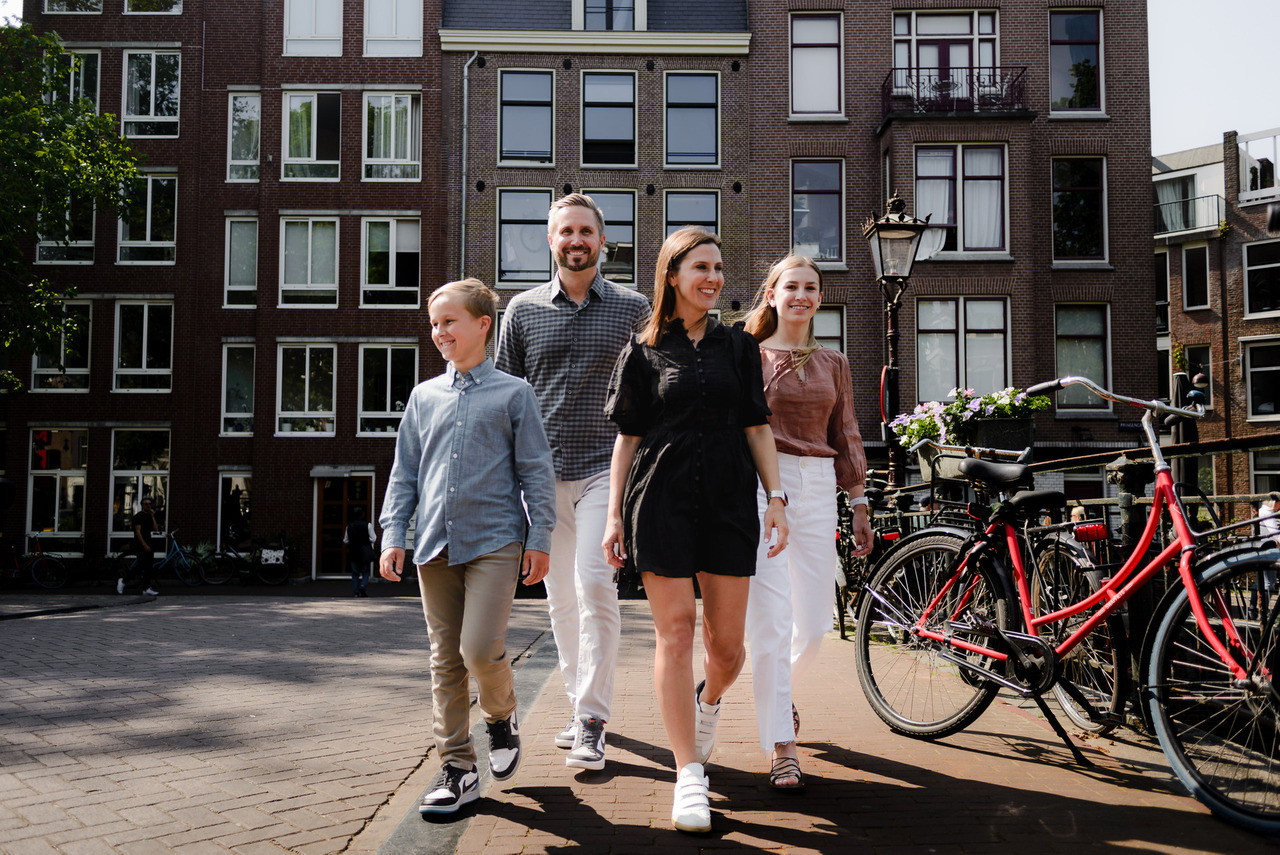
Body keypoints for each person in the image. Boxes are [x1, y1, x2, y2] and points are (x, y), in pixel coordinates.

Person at [602, 227, 789, 833]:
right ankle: (688, 773)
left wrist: (776, 498)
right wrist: (613, 515)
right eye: (701, 267)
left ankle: (707, 701)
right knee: (676, 633)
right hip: (660, 498)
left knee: (727, 648)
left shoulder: (739, 347)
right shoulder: (642, 351)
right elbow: (628, 438)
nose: (713, 278)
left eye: (717, 268)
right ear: (672, 275)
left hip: (730, 500)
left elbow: (757, 426)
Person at [378, 278, 556, 816]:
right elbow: (405, 473)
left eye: (449, 321)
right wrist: (394, 534)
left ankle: (500, 717)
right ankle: (458, 767)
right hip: (434, 542)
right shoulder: (423, 397)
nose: (439, 332)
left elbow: (536, 472)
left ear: (483, 325)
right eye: (434, 324)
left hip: (495, 540)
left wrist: (539, 538)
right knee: (444, 660)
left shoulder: (514, 394)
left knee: (477, 649)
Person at [496, 193, 650, 770]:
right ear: (551, 240)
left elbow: (650, 391)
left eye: (586, 231)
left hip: (603, 471)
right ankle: (575, 703)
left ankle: (591, 720)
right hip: (539, 479)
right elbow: (505, 398)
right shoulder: (522, 310)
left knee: (594, 587)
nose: (576, 240)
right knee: (560, 599)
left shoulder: (633, 308)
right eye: (566, 231)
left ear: (602, 241)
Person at [741, 255, 872, 791]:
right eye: (790, 286)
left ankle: (776, 691)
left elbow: (846, 431)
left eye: (810, 287)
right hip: (761, 484)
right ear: (771, 294)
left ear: (820, 298)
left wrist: (859, 502)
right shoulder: (747, 354)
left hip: (818, 486)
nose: (801, 295)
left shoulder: (834, 362)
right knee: (772, 619)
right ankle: (782, 745)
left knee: (815, 624)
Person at [120, 496, 160, 596]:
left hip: (149, 543)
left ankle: (146, 588)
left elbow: (156, 529)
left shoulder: (149, 516)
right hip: (140, 544)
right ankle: (123, 581)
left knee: (149, 567)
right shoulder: (138, 517)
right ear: (142, 505)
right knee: (140, 565)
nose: (148, 506)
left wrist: (153, 516)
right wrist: (144, 545)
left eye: (149, 504)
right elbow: (138, 532)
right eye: (146, 504)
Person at [1250, 493, 1279, 619]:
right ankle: (1263, 612)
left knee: (1260, 581)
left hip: (1259, 549)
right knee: (1269, 582)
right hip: (1269, 551)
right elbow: (1275, 533)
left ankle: (1253, 607)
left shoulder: (1260, 511)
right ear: (1275, 502)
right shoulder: (1268, 513)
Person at [343, 507, 376, 597]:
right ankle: (363, 585)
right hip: (365, 552)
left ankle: (356, 593)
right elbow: (373, 538)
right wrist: (366, 540)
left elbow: (345, 540)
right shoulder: (368, 525)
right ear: (363, 514)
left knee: (355, 573)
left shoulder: (349, 526)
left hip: (353, 551)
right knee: (366, 571)